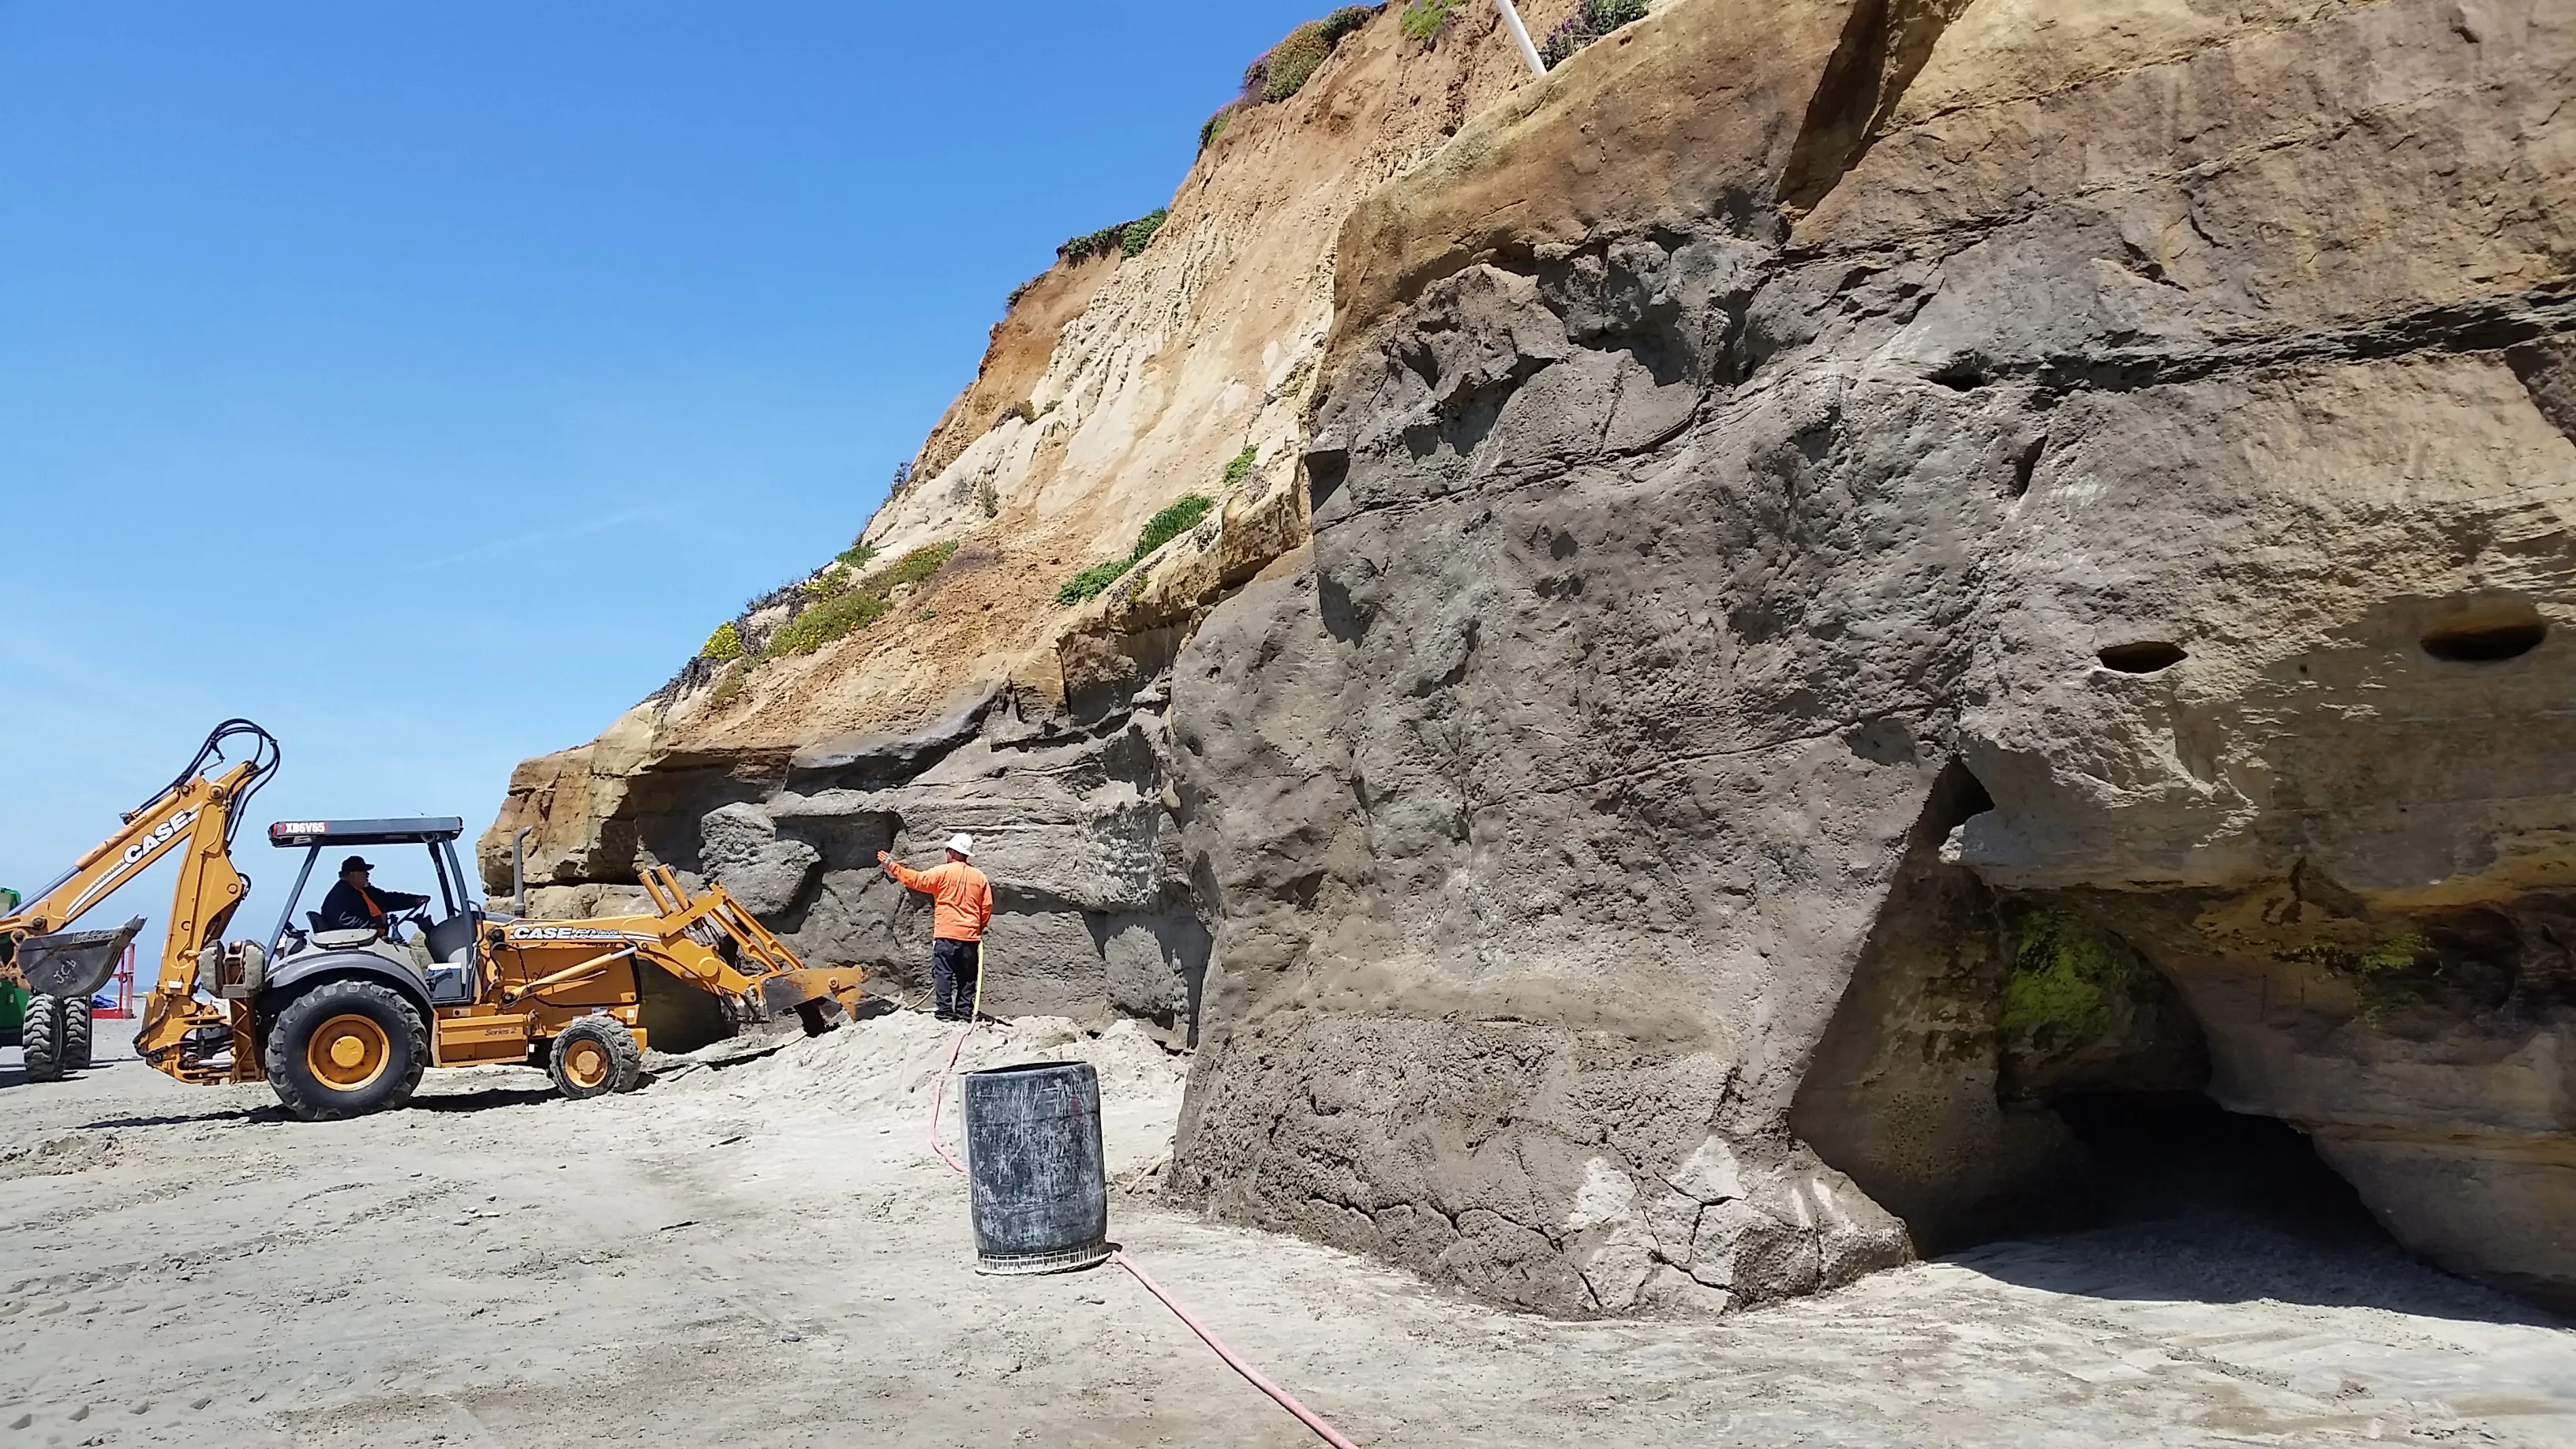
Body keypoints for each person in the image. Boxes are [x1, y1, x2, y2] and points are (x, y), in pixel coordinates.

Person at [878, 833, 993, 1022]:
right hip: (970, 937)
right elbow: (986, 907)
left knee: (943, 974)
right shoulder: (979, 877)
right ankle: (964, 1012)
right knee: (967, 977)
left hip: (946, 935)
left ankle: (945, 1012)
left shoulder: (942, 873)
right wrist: (978, 928)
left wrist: (892, 865)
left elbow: (915, 880)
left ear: (953, 852)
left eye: (948, 850)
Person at [316, 856, 429, 937]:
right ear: (352, 874)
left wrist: (414, 900)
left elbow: (387, 900)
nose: (368, 875)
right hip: (355, 943)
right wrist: (375, 924)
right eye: (364, 872)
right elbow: (343, 920)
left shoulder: (362, 891)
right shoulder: (341, 894)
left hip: (369, 940)